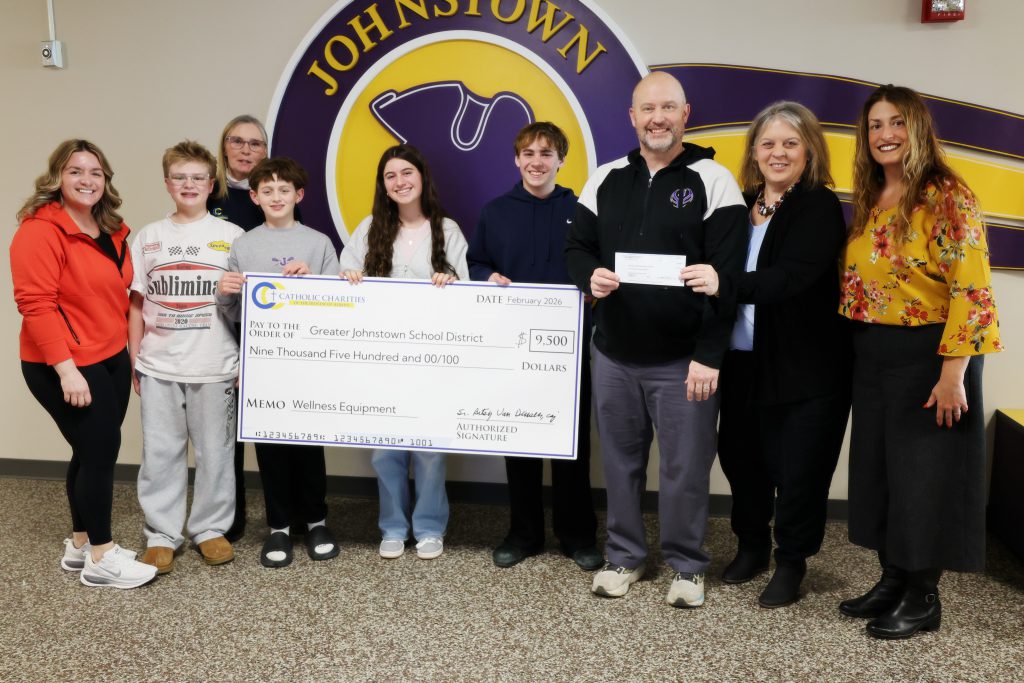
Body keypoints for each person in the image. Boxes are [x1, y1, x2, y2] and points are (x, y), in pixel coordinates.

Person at [564, 72, 747, 607]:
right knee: (620, 464)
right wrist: (589, 276)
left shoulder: (715, 181)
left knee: (684, 468)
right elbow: (576, 247)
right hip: (614, 354)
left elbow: (728, 278)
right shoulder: (605, 179)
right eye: (648, 109)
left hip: (684, 361)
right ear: (633, 117)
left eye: (668, 107)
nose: (657, 118)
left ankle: (687, 566)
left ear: (685, 114)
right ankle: (624, 556)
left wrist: (709, 356)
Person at [837, 84, 1001, 639]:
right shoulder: (873, 193)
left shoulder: (947, 196)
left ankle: (923, 596)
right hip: (873, 353)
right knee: (881, 473)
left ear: (918, 129)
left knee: (923, 478)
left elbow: (971, 291)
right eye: (875, 125)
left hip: (930, 357)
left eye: (896, 122)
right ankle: (892, 578)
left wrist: (954, 375)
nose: (885, 134)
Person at [681, 102, 851, 608]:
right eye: (768, 143)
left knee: (799, 473)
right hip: (742, 362)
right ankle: (751, 545)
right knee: (742, 461)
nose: (779, 152)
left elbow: (790, 277)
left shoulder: (818, 205)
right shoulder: (740, 204)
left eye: (790, 143)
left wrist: (724, 282)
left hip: (805, 367)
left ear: (809, 151)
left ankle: (791, 561)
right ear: (754, 152)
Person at [11, 139, 157, 589]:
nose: (86, 180)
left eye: (96, 172)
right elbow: (35, 305)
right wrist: (66, 369)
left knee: (90, 450)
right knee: (100, 451)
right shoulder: (39, 230)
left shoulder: (111, 229)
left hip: (110, 356)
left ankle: (79, 544)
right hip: (66, 362)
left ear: (105, 181)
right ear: (57, 177)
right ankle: (102, 558)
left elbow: (119, 293)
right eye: (75, 171)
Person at [467, 122, 601, 571]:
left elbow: (598, 266)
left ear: (561, 160)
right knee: (519, 440)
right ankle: (523, 533)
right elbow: (477, 262)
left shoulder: (582, 210)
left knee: (572, 446)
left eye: (546, 153)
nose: (536, 161)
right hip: (512, 347)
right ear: (516, 160)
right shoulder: (495, 212)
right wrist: (488, 277)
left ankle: (577, 535)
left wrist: (593, 288)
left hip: (569, 348)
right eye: (528, 153)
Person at [340, 144, 469, 560]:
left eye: (407, 172)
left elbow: (468, 294)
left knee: (429, 449)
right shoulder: (369, 228)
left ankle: (429, 527)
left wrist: (451, 283)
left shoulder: (446, 230)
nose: (400, 181)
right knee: (386, 451)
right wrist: (350, 276)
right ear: (383, 185)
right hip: (382, 361)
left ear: (422, 176)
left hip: (433, 360)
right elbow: (343, 282)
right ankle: (393, 527)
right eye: (390, 175)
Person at [216, 157, 341, 568]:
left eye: (284, 190)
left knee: (308, 446)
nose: (275, 197)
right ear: (254, 197)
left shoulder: (319, 243)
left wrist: (315, 283)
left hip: (308, 363)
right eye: (266, 191)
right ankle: (279, 527)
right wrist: (225, 292)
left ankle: (317, 521)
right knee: (269, 447)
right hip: (262, 365)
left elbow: (339, 306)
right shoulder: (244, 245)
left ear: (298, 195)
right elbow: (234, 312)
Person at [129, 140, 244, 574]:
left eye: (197, 178)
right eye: (180, 177)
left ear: (211, 184)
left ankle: (210, 528)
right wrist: (134, 359)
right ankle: (162, 534)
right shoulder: (149, 237)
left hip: (215, 363)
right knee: (161, 452)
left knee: (216, 452)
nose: (189, 184)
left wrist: (245, 360)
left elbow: (249, 305)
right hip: (158, 364)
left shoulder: (232, 236)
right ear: (167, 183)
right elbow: (136, 304)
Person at [207, 114, 270, 542]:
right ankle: (228, 517)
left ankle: (282, 512)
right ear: (224, 146)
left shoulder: (273, 194)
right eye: (237, 141)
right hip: (217, 321)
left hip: (263, 324)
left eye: (255, 143)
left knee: (265, 419)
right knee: (224, 431)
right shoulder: (209, 193)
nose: (246, 150)